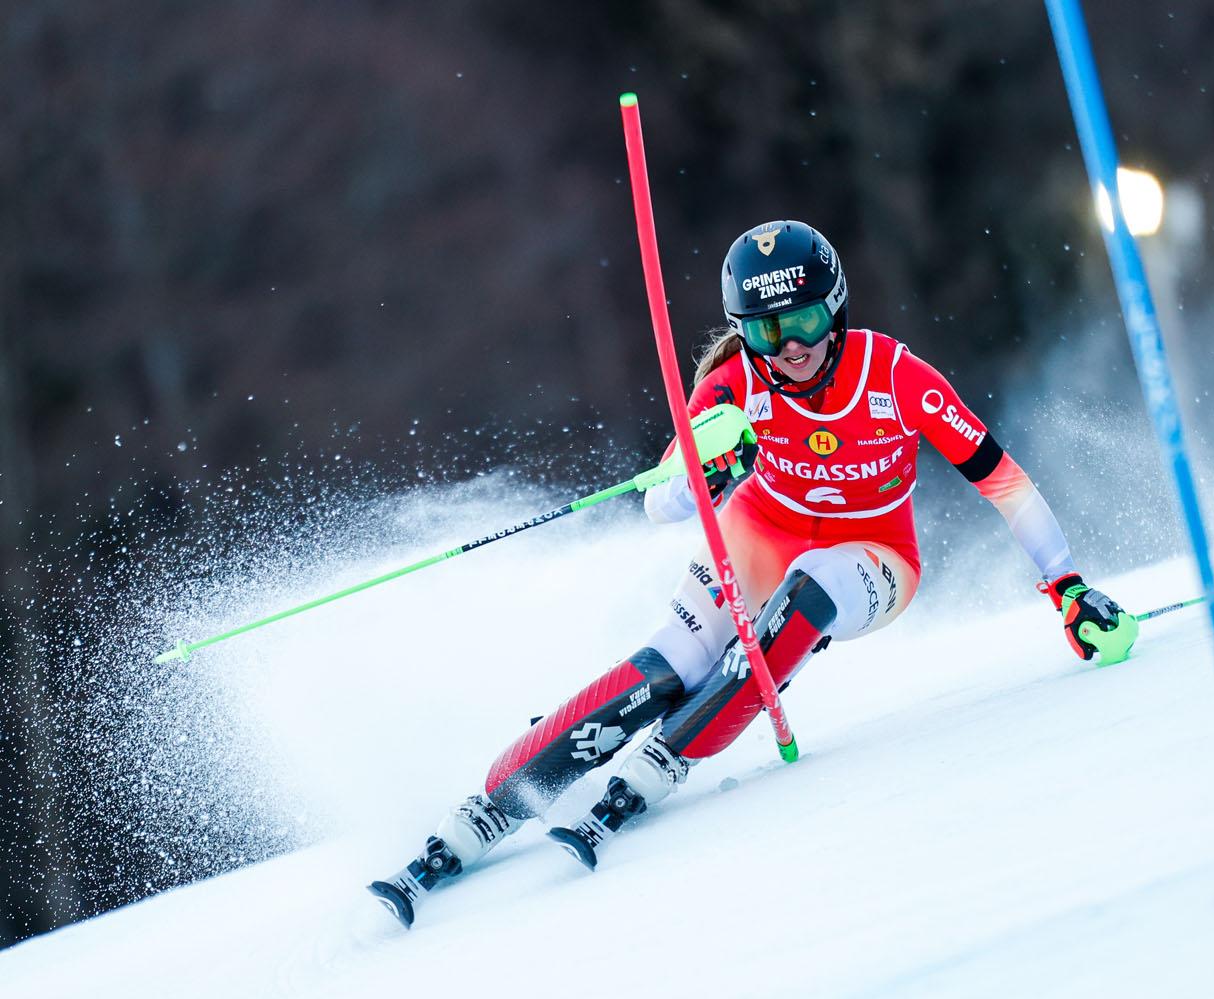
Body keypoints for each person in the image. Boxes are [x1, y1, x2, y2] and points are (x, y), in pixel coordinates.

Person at [368, 220, 1137, 928]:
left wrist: (1065, 585)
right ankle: (495, 800)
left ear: (834, 309)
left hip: (874, 555)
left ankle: (663, 758)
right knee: (671, 666)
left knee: (808, 593)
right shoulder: (733, 385)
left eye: (803, 321)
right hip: (758, 534)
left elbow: (1001, 478)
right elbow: (660, 503)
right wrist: (707, 476)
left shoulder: (894, 373)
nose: (789, 346)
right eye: (767, 329)